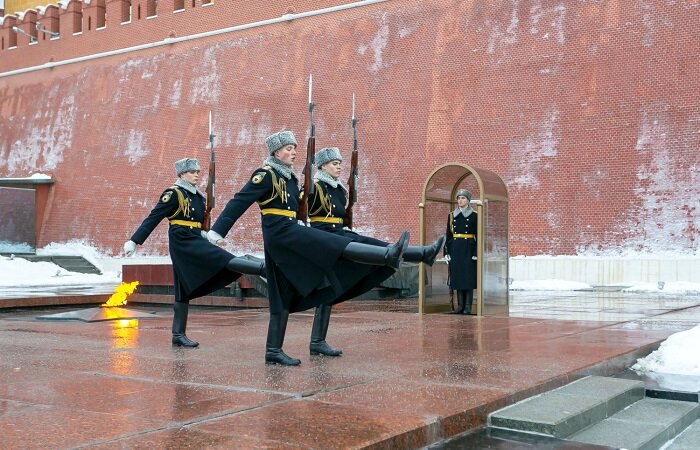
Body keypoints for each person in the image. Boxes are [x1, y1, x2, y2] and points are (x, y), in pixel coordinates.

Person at [207, 131, 410, 366]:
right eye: (288, 148)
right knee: (331, 243)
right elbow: (239, 201)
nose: (294, 152)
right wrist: (217, 231)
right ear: (276, 152)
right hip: (279, 233)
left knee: (281, 293)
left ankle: (273, 350)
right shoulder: (266, 175)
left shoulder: (291, 179)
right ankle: (386, 255)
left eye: (295, 148)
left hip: (290, 233)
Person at [306, 147, 446, 356]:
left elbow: (340, 215)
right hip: (323, 239)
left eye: (340, 163)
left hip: (339, 234)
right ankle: (317, 342)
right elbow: (301, 207)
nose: (339, 167)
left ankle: (424, 253)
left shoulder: (338, 189)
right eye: (335, 163)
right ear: (323, 165)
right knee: (327, 289)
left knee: (375, 247)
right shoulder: (315, 187)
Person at [124, 157, 266, 348]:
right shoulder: (173, 194)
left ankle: (178, 334)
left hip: (195, 239)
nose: (196, 175)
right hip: (182, 242)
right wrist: (135, 241)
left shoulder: (198, 196)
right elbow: (154, 217)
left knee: (182, 287)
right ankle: (263, 269)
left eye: (198, 172)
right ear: (182, 174)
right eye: (192, 172)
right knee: (223, 258)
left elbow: (197, 224)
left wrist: (207, 234)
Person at [444, 189, 477, 315]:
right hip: (456, 248)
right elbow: (448, 235)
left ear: (468, 200)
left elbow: (478, 236)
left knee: (467, 278)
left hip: (468, 248)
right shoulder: (452, 215)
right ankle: (460, 306)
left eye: (463, 198)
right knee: (457, 277)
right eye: (458, 198)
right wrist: (446, 252)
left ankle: (468, 306)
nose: (460, 200)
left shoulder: (474, 216)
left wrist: (476, 253)